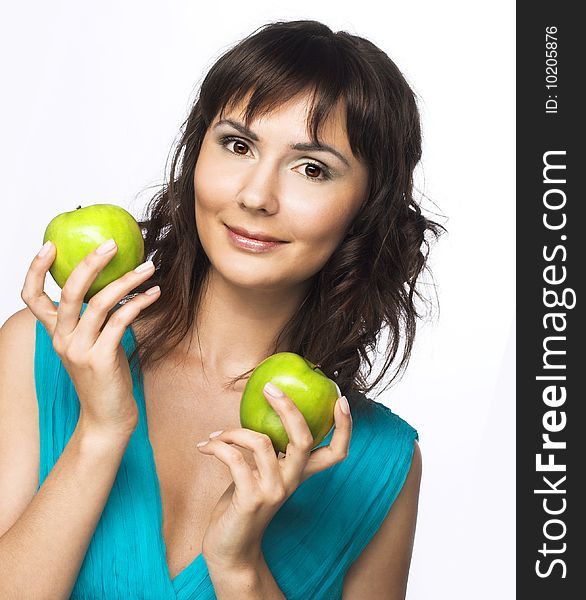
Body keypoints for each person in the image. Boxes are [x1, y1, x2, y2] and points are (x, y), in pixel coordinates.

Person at [0, 19, 444, 600]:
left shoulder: (378, 464)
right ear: (196, 153)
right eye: (238, 145)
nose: (256, 196)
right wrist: (99, 434)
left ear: (367, 208)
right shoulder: (43, 351)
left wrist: (238, 567)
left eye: (312, 168)